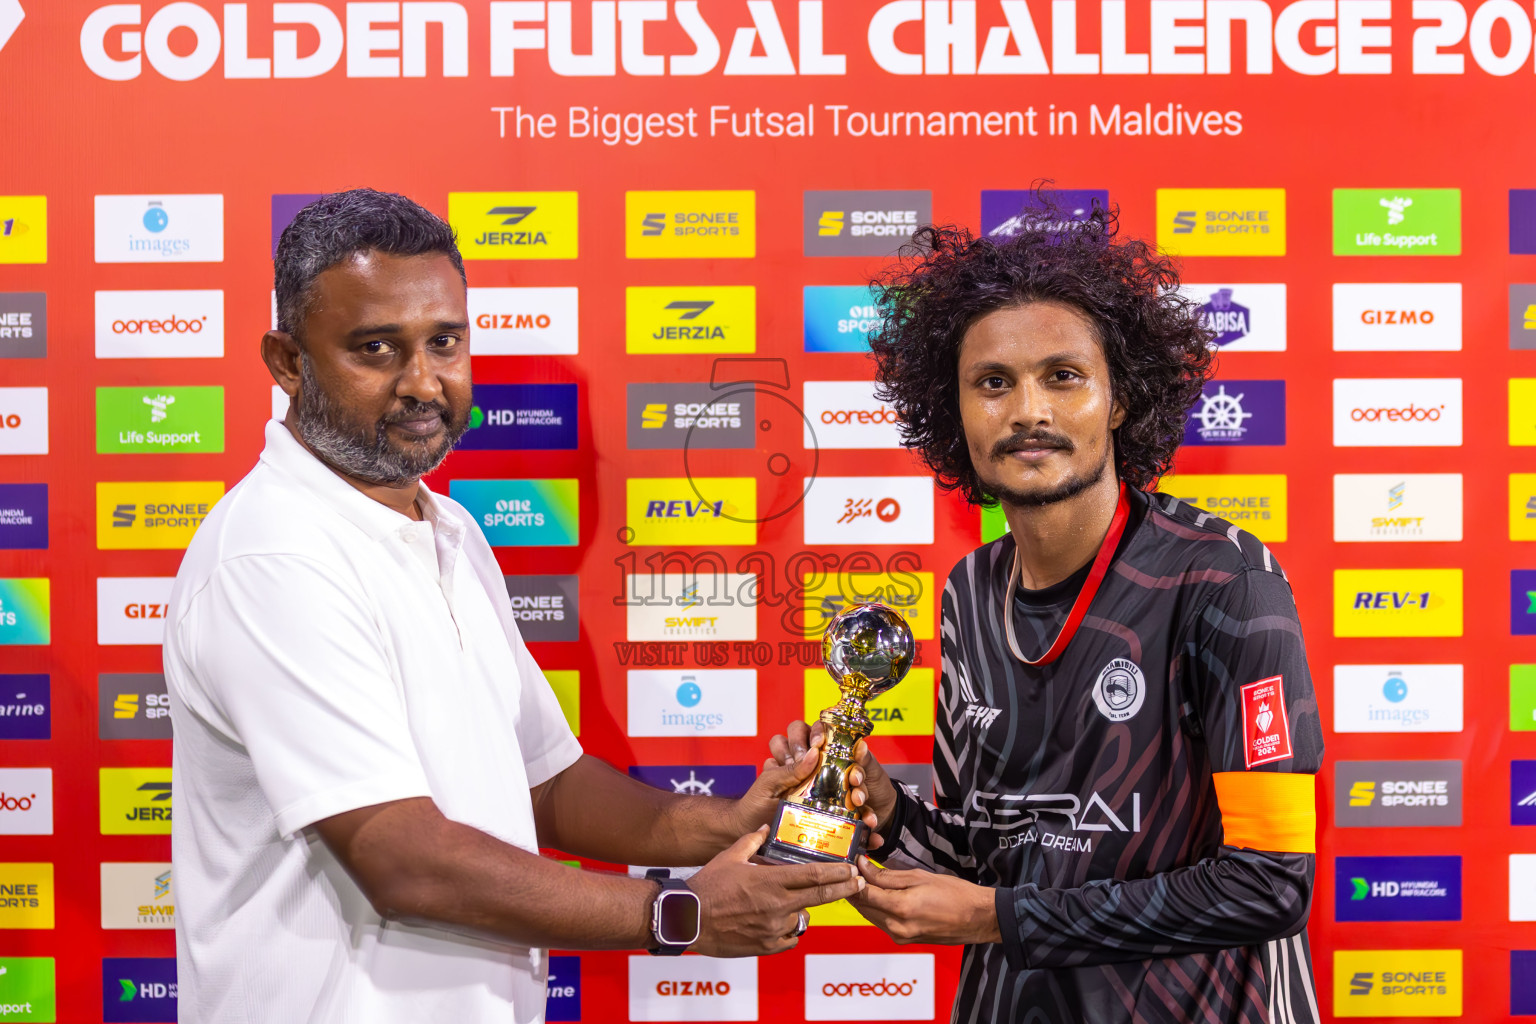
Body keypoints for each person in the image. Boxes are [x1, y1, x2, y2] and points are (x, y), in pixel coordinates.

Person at [163, 188, 866, 1023]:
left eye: (445, 342)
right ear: (287, 361)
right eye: (376, 347)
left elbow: (545, 786)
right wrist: (680, 913)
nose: (422, 382)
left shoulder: (448, 526)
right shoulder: (275, 556)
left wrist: (727, 822)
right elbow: (403, 861)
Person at [771, 203, 1324, 1023]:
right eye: (993, 383)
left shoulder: (1224, 582)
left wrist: (998, 918)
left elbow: (1268, 884)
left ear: (1121, 400)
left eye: (1062, 376)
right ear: (954, 413)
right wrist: (882, 807)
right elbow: (978, 848)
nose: (1028, 409)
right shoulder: (969, 590)